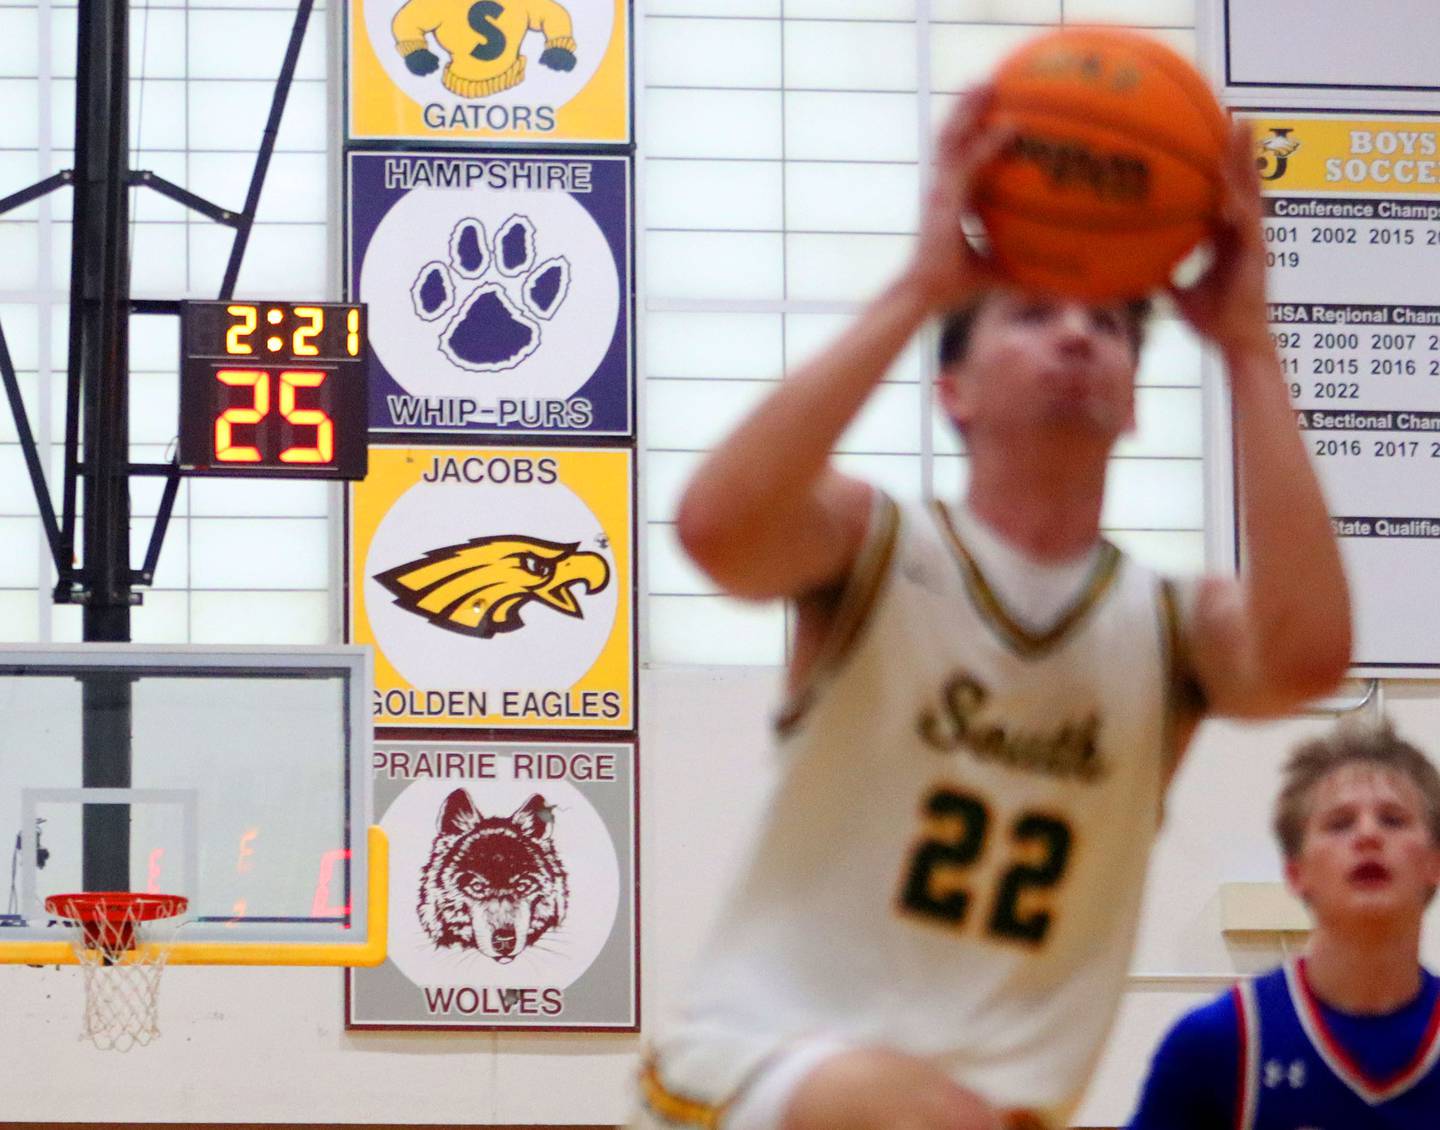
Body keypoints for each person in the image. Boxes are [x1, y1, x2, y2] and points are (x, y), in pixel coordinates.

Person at [635, 84, 1352, 1130]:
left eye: (1106, 324)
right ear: (955, 391)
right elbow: (715, 527)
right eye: (1032, 314)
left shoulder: (1165, 623)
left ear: (1136, 397)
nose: (1075, 336)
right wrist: (919, 289)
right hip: (761, 1074)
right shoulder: (874, 542)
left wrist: (1248, 344)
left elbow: (1310, 659)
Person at [1129, 721, 1440, 1129]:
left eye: (1393, 820)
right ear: (1296, 873)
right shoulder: (1218, 1044)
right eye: (1340, 823)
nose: (1368, 834)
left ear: (1434, 863)